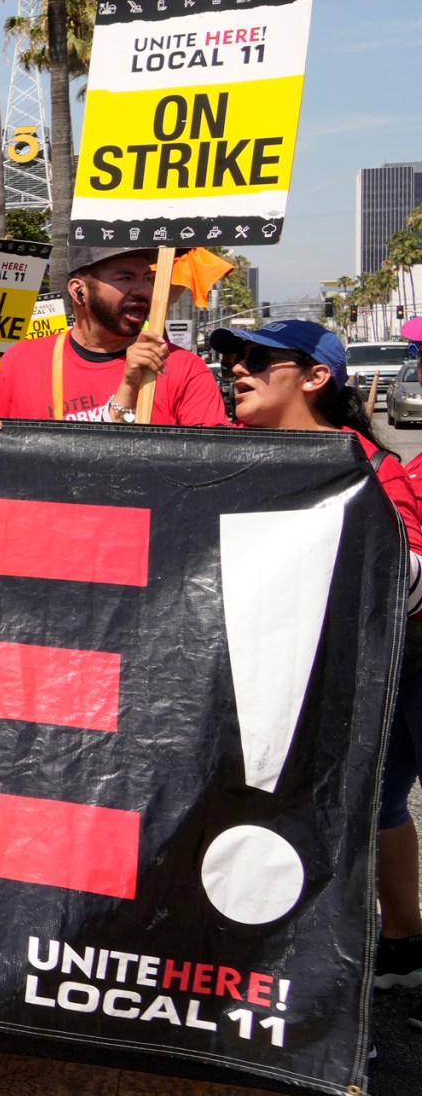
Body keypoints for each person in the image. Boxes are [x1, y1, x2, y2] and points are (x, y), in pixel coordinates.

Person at [205, 322, 422, 992]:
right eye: (235, 359)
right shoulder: (216, 458)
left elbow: (408, 583)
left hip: (385, 675)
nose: (239, 369)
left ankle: (402, 947)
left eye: (261, 360)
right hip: (265, 686)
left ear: (316, 377)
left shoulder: (375, 470)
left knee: (373, 803)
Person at [0, 247, 228, 425]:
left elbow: (210, 469)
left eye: (147, 279)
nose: (142, 290)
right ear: (79, 291)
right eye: (125, 278)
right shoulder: (22, 362)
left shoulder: (184, 367)